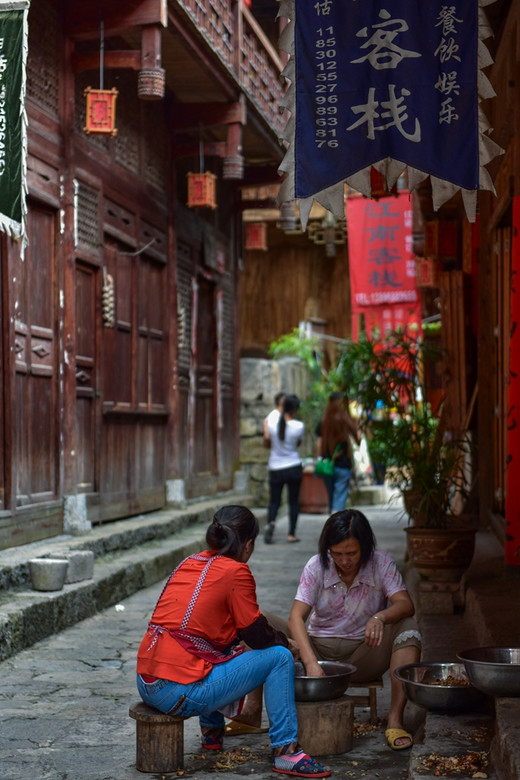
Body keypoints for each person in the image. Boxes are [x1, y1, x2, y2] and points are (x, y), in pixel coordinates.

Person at [136, 505, 331, 778]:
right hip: (177, 691)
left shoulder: (189, 562)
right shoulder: (236, 572)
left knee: (218, 646)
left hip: (147, 682)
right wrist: (287, 643)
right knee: (279, 658)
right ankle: (286, 751)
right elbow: (255, 634)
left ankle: (212, 733)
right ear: (248, 545)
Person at [270, 509, 421, 751]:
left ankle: (395, 721)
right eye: (337, 553)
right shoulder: (316, 566)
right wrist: (310, 662)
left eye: (352, 553)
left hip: (365, 655)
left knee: (408, 629)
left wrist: (379, 617)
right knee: (259, 623)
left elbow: (406, 604)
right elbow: (296, 617)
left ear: (366, 547)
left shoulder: (381, 563)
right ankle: (252, 713)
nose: (345, 560)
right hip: (317, 652)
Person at [264, 394, 304, 544]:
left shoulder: (272, 425)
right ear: (294, 410)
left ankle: (271, 522)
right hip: (293, 466)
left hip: (275, 467)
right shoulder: (299, 426)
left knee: (274, 500)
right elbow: (298, 444)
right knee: (293, 501)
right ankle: (291, 534)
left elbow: (267, 441)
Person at [315, 391, 361, 513]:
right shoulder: (346, 420)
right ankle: (335, 523)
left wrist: (318, 459)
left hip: (327, 465)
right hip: (343, 464)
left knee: (332, 498)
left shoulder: (323, 421)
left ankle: (332, 520)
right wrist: (357, 424)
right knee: (339, 500)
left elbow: (319, 443)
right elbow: (358, 440)